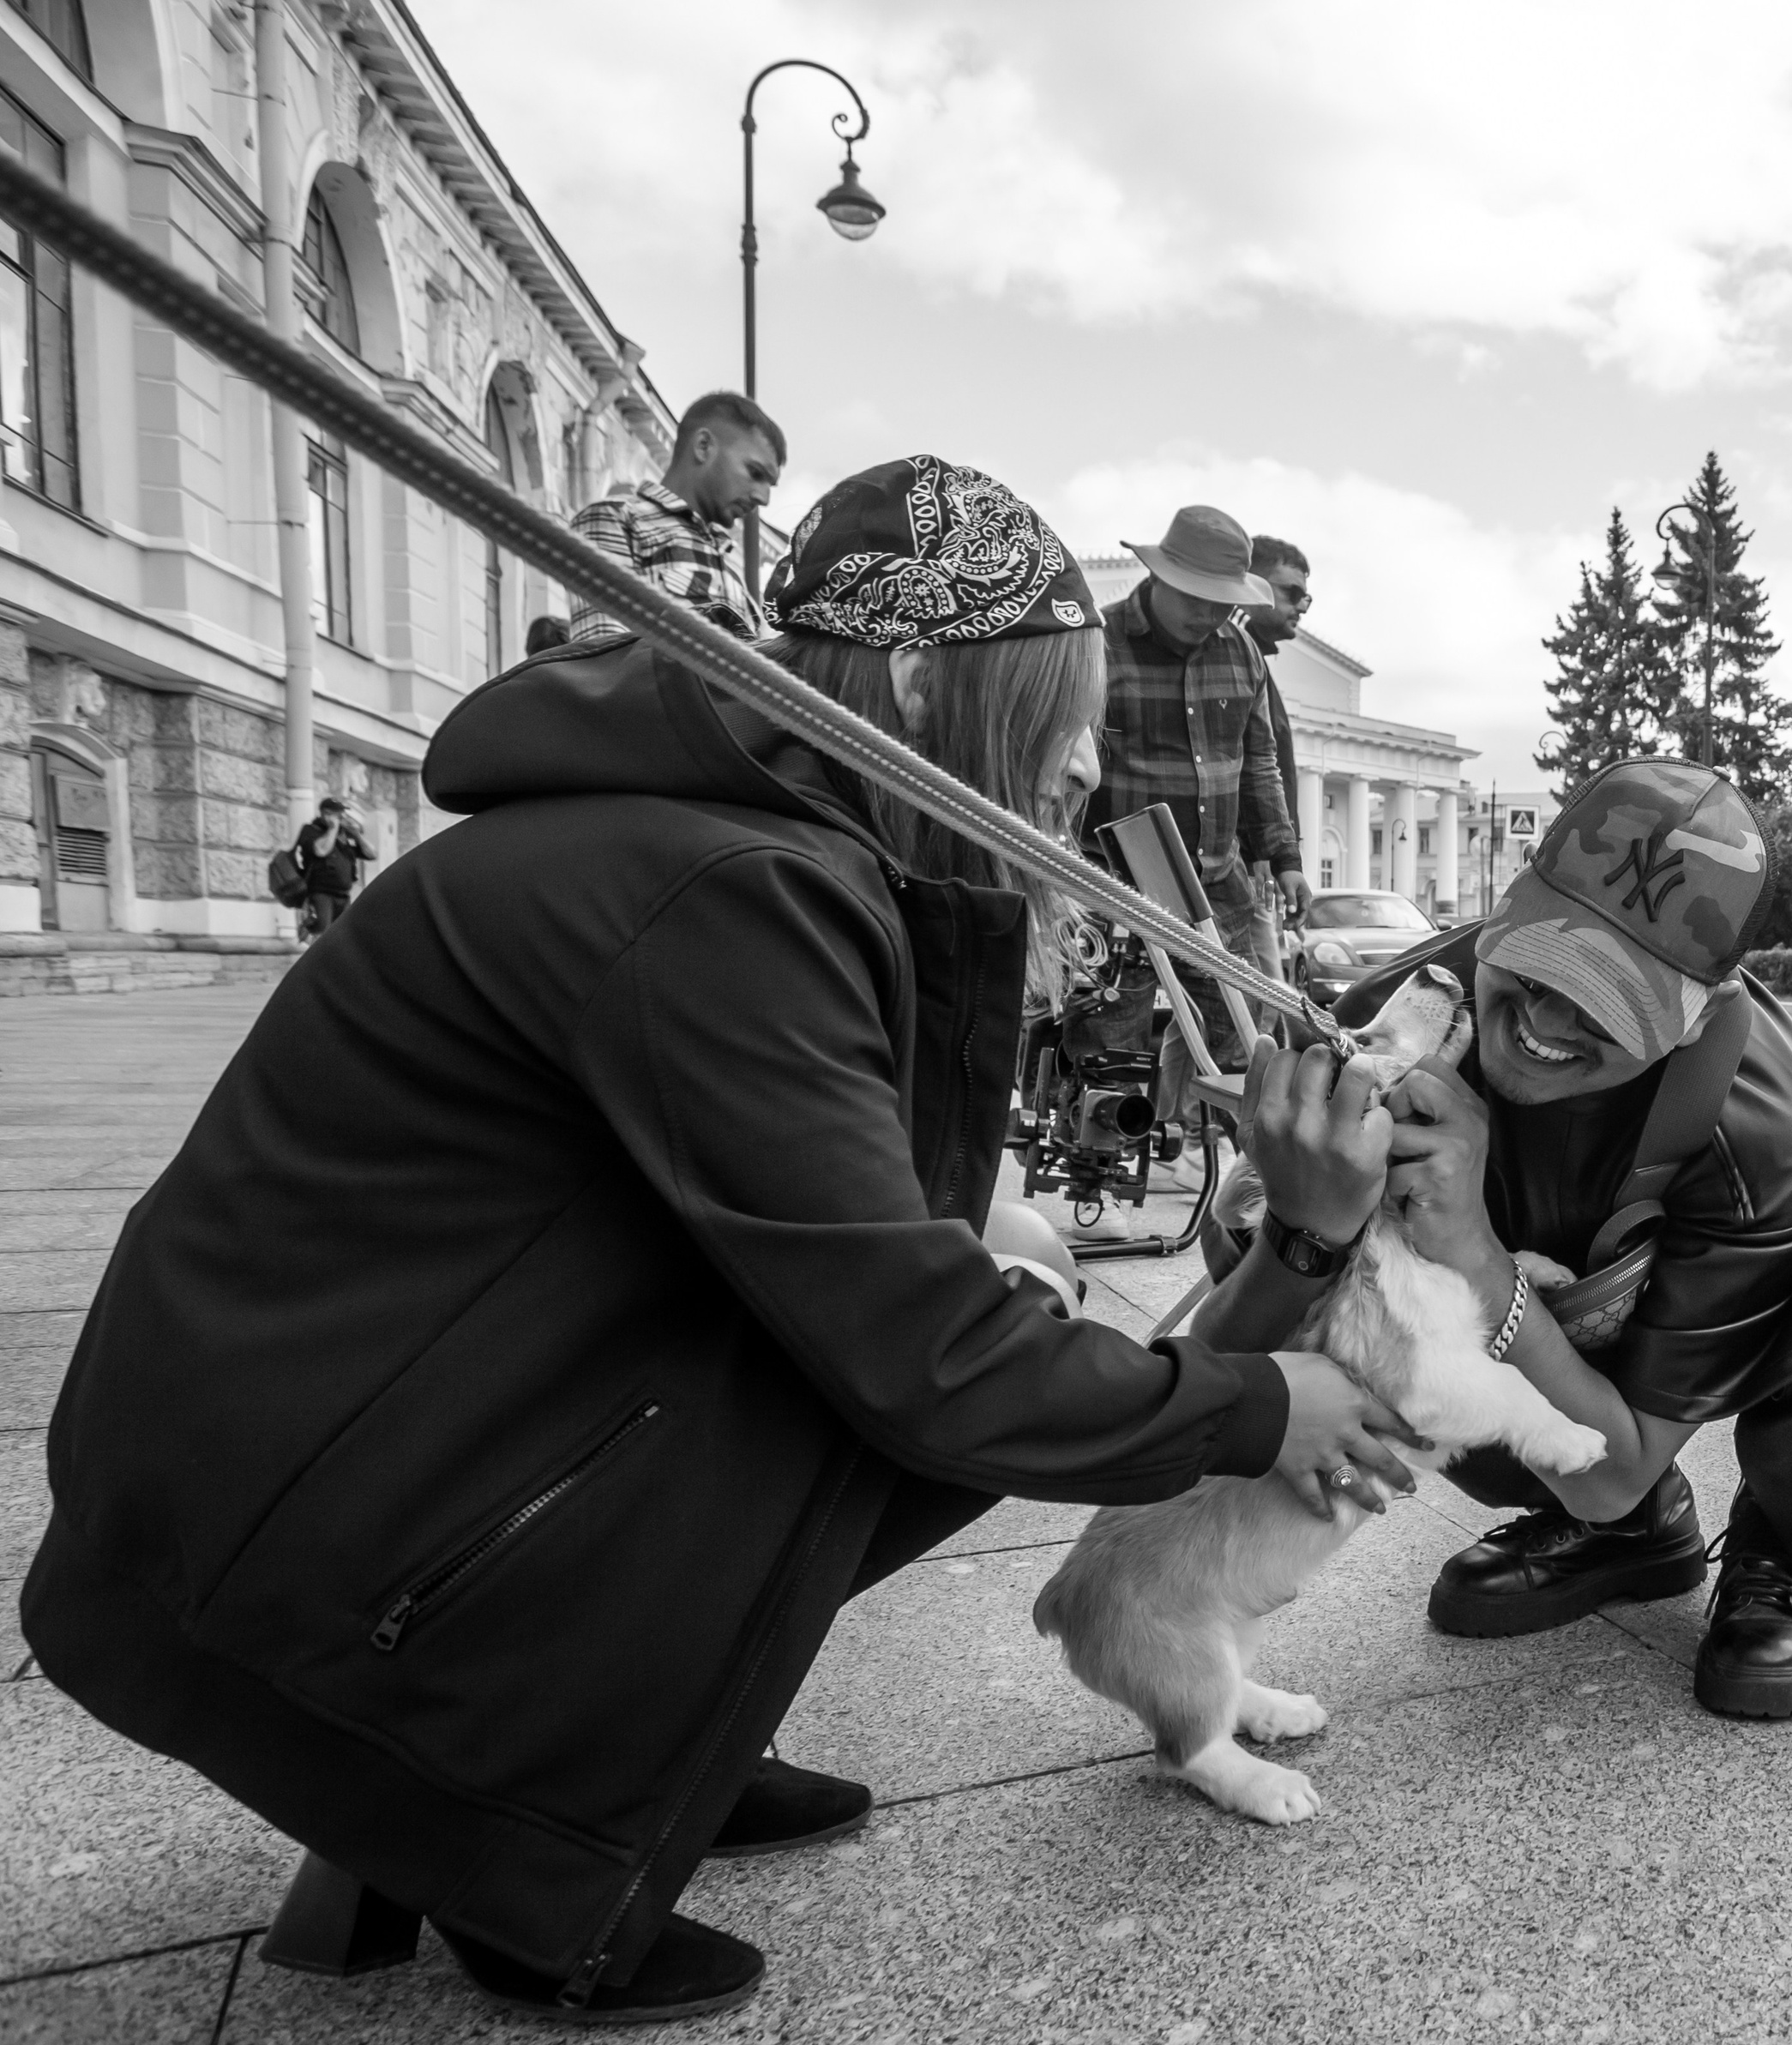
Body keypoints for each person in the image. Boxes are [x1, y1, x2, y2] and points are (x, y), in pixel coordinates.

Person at [22, 455, 1414, 2027]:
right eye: (1053, 705)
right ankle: (495, 1825)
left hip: (314, 1449)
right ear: (911, 678)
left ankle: (639, 1732)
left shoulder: (764, 846)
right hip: (298, 1526)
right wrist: (1264, 1399)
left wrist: (1283, 1256)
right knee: (962, 1361)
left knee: (1006, 1286)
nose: (1084, 757)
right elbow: (928, 1356)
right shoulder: (724, 888)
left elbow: (915, 1248)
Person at [1195, 758, 1792, 1721]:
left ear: (1699, 1015)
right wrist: (1304, 1230)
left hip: (1749, 1312)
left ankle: (1781, 1544)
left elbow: (1612, 1464)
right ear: (1503, 905)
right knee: (1307, 1205)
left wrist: (1471, 1250)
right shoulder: (1396, 1018)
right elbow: (1205, 1381)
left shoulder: (1772, 1133)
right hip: (1551, 1347)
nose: (1545, 1020)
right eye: (1540, 960)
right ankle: (1636, 1538)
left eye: (1606, 997)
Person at [1078, 505, 1309, 1229]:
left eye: (1223, 602)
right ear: (1157, 576)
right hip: (1117, 873)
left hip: (1216, 873)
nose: (1211, 614)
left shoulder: (1237, 654)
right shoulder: (1097, 643)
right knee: (1111, 1032)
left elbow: (1259, 761)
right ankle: (1100, 1177)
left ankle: (1236, 1172)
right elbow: (1068, 757)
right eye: (1197, 597)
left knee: (1250, 1027)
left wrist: (1287, 856)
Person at [567, 391, 784, 644]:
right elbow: (605, 662)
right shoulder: (616, 521)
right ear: (704, 446)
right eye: (756, 473)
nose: (763, 498)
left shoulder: (736, 581)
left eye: (770, 485)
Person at [1241, 535, 1314, 988]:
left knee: (1240, 1008)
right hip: (1244, 868)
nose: (1303, 605)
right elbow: (1248, 766)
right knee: (1259, 1002)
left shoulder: (1254, 661)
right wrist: (1263, 854)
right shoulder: (1231, 655)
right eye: (1290, 592)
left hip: (1255, 865)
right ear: (1249, 584)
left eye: (1307, 594)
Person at [292, 794, 376, 937]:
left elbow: (372, 855)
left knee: (343, 936)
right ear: (326, 814)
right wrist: (332, 829)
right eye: (339, 815)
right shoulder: (311, 830)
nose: (343, 818)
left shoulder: (344, 836)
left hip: (343, 896)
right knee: (321, 934)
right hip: (321, 894)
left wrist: (357, 836)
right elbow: (321, 851)